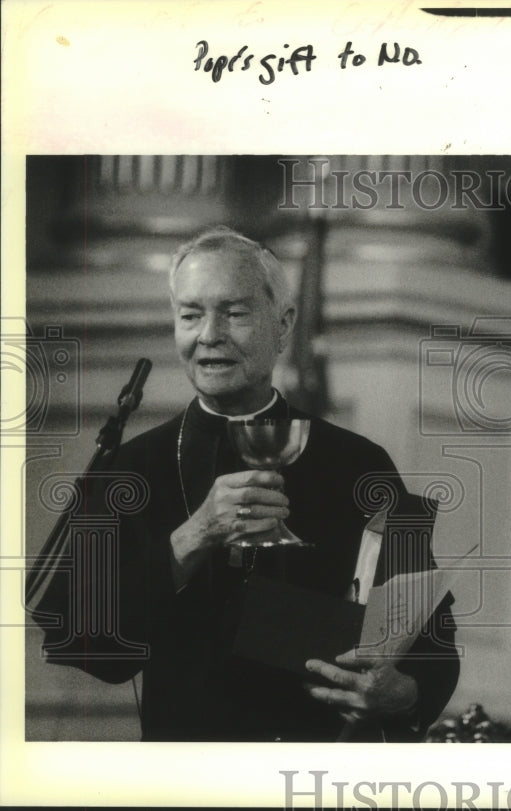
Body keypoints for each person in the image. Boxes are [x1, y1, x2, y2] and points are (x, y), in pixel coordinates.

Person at [32, 227, 459, 741]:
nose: (209, 334)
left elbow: (435, 643)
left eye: (234, 312)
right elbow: (88, 646)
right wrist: (192, 537)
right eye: (190, 315)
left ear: (283, 326)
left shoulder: (358, 463)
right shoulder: (130, 469)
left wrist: (403, 694)